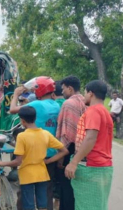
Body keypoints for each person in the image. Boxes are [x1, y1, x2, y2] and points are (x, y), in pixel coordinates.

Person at [0, 106, 68, 210]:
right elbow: (64, 151)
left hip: (27, 175)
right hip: (42, 174)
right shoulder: (45, 134)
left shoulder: (22, 136)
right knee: (42, 205)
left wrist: (1, 163)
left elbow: (18, 161)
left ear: (22, 121)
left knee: (29, 206)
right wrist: (48, 160)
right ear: (35, 118)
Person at [9, 76, 60, 210]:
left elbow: (13, 109)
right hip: (51, 154)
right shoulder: (56, 105)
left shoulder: (37, 104)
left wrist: (15, 95)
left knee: (25, 189)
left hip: (32, 154)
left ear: (40, 90)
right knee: (47, 190)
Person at [65, 80, 113, 210]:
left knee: (86, 206)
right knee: (97, 205)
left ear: (91, 94)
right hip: (103, 167)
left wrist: (74, 162)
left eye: (85, 93)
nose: (84, 96)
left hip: (91, 167)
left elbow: (90, 137)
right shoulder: (105, 112)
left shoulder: (93, 111)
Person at [56, 76, 86, 210]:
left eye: (63, 89)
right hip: (82, 148)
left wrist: (61, 157)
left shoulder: (68, 104)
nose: (62, 92)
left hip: (69, 147)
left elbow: (67, 133)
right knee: (77, 186)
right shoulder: (84, 101)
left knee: (66, 186)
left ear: (70, 88)